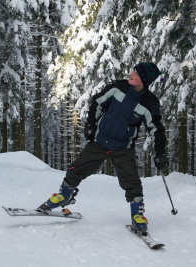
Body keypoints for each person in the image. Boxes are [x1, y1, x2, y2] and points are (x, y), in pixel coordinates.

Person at [37, 62, 167, 233]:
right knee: (77, 168)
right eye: (133, 70)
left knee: (132, 180)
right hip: (100, 141)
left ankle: (137, 215)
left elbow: (156, 130)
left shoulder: (149, 103)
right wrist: (91, 124)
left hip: (123, 147)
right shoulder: (118, 87)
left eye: (136, 72)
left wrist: (160, 153)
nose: (131, 73)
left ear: (143, 79)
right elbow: (97, 102)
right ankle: (64, 196)